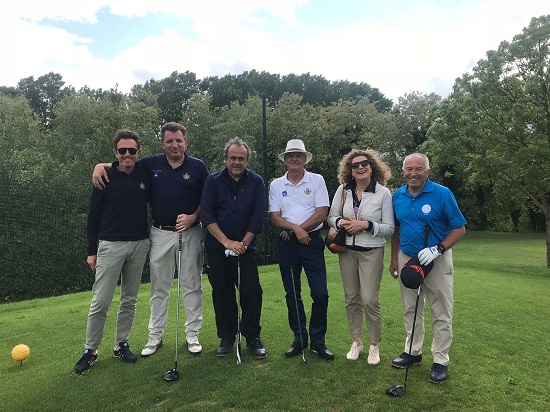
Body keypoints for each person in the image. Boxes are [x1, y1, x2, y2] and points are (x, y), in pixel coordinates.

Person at [92, 122, 209, 356]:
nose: (174, 145)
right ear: (162, 143)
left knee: (191, 285)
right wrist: (99, 165)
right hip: (159, 233)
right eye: (169, 141)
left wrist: (194, 217)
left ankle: (192, 335)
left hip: (191, 232)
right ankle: (155, 336)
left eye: (178, 140)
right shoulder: (150, 164)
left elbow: (208, 200)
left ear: (186, 142)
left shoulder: (198, 167)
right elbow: (124, 162)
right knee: (159, 287)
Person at [75, 129, 151, 374]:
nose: (127, 154)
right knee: (101, 301)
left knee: (129, 299)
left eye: (132, 150)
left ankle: (121, 344)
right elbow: (92, 217)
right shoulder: (104, 176)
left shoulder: (145, 172)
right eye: (122, 150)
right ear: (115, 153)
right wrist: (91, 250)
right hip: (109, 245)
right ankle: (91, 350)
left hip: (139, 244)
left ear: (138, 152)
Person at [389, 153, 466, 384]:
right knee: (411, 309)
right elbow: (396, 229)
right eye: (409, 169)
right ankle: (413, 352)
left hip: (436, 260)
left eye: (418, 169)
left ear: (428, 172)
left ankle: (440, 360)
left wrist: (439, 248)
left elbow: (459, 229)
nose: (413, 173)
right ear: (403, 172)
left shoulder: (442, 193)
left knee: (441, 310)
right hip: (406, 257)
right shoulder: (398, 195)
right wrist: (394, 259)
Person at [200, 137, 267, 359]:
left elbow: (258, 217)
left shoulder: (256, 182)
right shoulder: (213, 181)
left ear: (247, 160)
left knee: (251, 292)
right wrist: (227, 242)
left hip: (246, 248)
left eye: (241, 158)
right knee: (222, 292)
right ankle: (227, 336)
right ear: (225, 159)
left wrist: (243, 243)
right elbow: (207, 215)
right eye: (233, 158)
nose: (236, 162)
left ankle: (252, 336)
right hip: (217, 248)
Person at [327, 149, 394, 364]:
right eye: (355, 165)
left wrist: (365, 225)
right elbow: (331, 217)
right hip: (347, 252)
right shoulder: (343, 190)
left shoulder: (383, 193)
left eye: (364, 163)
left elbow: (389, 228)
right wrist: (342, 224)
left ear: (371, 166)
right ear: (351, 171)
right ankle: (356, 341)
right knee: (352, 298)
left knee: (369, 299)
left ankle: (374, 344)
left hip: (372, 252)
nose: (360, 167)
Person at [269, 139, 334, 360]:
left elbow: (321, 213)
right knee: (292, 294)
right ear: (285, 160)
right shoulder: (276, 184)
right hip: (287, 244)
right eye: (290, 155)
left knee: (320, 294)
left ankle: (318, 341)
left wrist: (301, 230)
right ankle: (299, 339)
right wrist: (296, 229)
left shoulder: (316, 180)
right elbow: (274, 217)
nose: (294, 158)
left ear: (305, 159)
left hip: (312, 243)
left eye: (299, 155)